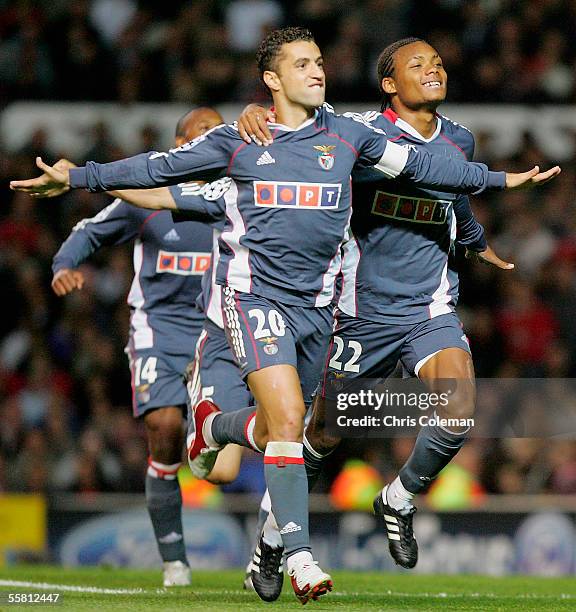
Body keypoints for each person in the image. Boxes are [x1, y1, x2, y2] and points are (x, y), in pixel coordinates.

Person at [11, 27, 560, 604]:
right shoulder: (268, 137)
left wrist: (497, 190)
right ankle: (292, 552)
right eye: (302, 64)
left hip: (351, 308)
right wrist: (78, 176)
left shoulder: (354, 137)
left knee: (359, 421)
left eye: (319, 61)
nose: (318, 70)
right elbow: (157, 171)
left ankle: (368, 491)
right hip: (291, 304)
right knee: (302, 428)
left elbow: (439, 179)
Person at [234, 35, 524, 593]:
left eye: (437, 61)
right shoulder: (360, 132)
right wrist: (256, 113)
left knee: (459, 405)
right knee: (321, 435)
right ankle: (273, 542)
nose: (433, 69)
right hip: (361, 315)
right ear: (391, 84)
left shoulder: (459, 138)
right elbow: (298, 130)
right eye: (417, 65)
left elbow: (454, 194)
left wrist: (475, 236)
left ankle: (399, 497)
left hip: (429, 308)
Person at [50, 107, 224, 588]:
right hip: (159, 331)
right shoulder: (145, 198)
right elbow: (89, 231)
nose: (214, 138)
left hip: (221, 330)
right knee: (165, 426)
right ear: (179, 143)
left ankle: (271, 554)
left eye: (218, 131)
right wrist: (63, 266)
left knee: (230, 459)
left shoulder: (236, 196)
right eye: (203, 131)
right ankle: (175, 561)